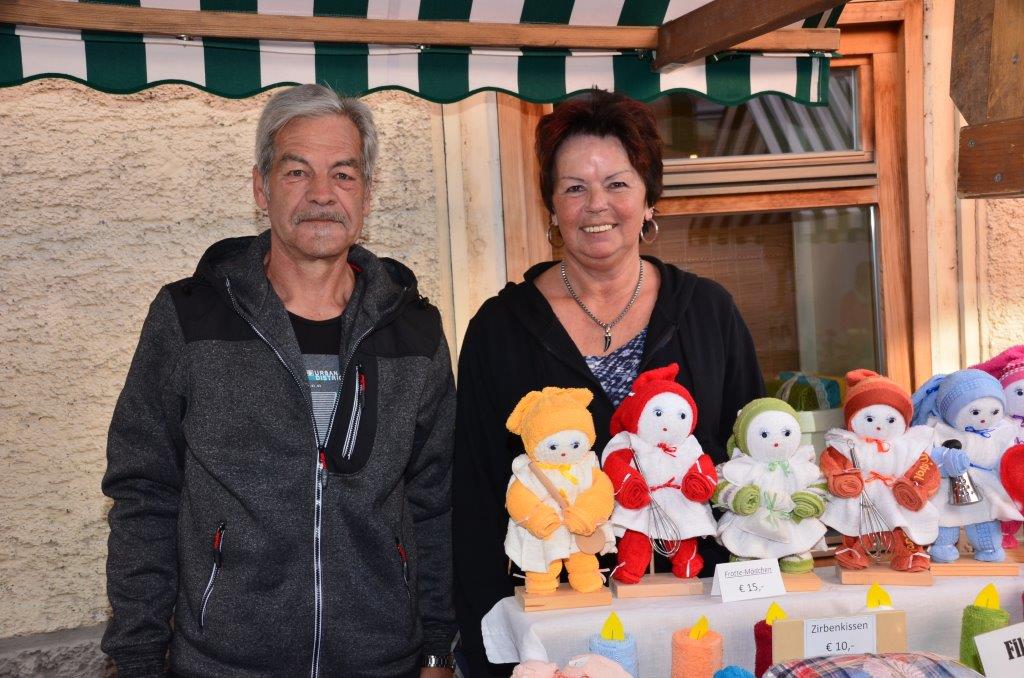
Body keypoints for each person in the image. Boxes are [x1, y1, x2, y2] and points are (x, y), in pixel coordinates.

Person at [101, 84, 456, 677]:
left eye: (343, 174)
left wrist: (439, 647)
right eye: (297, 172)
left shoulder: (414, 330)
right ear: (261, 189)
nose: (321, 194)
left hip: (381, 661)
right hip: (223, 664)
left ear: (367, 194)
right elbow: (145, 492)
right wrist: (137, 657)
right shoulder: (189, 318)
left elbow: (434, 501)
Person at [452, 89, 764, 676]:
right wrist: (485, 643)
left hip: (695, 617)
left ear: (649, 199)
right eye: (574, 187)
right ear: (551, 207)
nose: (597, 204)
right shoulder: (500, 328)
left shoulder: (709, 312)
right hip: (552, 623)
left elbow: (748, 461)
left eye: (617, 183)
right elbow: (472, 497)